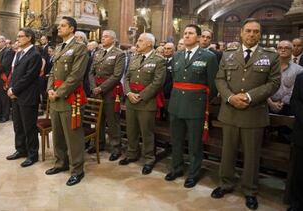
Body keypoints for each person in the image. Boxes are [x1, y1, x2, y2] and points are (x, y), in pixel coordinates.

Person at [212, 18, 281, 210]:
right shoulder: (228, 54)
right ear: (241, 33)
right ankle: (225, 183)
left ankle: (250, 190)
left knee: (251, 154)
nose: (252, 34)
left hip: (254, 112)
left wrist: (249, 96)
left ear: (260, 35)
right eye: (248, 31)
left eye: (256, 32)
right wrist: (230, 97)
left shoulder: (271, 56)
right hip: (230, 111)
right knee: (228, 152)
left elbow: (274, 83)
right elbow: (219, 79)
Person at [165, 24, 218, 188]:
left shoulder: (208, 56)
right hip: (176, 105)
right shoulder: (177, 55)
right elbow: (174, 78)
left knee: (195, 144)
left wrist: (203, 102)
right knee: (176, 140)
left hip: (196, 106)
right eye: (185, 33)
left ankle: (193, 173)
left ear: (199, 37)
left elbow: (213, 85)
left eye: (191, 33)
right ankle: (177, 168)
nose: (187, 36)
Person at [45, 16, 89, 186]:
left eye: (63, 25)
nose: (59, 28)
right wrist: (50, 89)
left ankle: (77, 169)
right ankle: (60, 163)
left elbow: (76, 76)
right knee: (57, 134)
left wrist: (59, 92)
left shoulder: (79, 48)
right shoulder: (58, 47)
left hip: (71, 98)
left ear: (72, 29)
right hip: (55, 96)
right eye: (59, 26)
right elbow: (53, 72)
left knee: (73, 136)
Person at [119, 33, 166, 175]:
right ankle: (132, 153)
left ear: (149, 44)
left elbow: (158, 82)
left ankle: (149, 159)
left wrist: (141, 95)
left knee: (147, 133)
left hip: (146, 102)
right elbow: (126, 78)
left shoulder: (158, 60)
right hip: (131, 100)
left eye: (140, 40)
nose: (137, 43)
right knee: (131, 130)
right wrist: (128, 93)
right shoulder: (134, 58)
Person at [6, 28, 43, 168]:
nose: (17, 39)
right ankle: (20, 149)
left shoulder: (35, 55)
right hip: (17, 95)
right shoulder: (20, 53)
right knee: (18, 125)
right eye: (17, 36)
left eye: (20, 36)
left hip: (28, 96)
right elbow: (14, 73)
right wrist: (11, 88)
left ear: (29, 38)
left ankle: (32, 154)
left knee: (29, 127)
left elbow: (29, 77)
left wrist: (14, 89)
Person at [88, 30, 125, 161]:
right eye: (102, 36)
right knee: (98, 119)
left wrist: (101, 88)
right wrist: (93, 87)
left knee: (112, 120)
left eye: (106, 36)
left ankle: (116, 148)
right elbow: (91, 72)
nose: (102, 38)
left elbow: (117, 75)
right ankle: (99, 143)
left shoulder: (119, 54)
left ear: (113, 39)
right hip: (96, 91)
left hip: (110, 91)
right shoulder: (97, 53)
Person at [268, 40, 303, 116]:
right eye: (280, 48)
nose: (283, 50)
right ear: (276, 50)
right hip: (267, 104)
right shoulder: (268, 67)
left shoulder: (299, 69)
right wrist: (271, 103)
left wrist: (282, 102)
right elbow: (262, 86)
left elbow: (296, 90)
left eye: (286, 48)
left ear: (292, 50)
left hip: (289, 106)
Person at [288, 72, 303, 211]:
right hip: (302, 132)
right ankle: (296, 202)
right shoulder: (301, 77)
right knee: (299, 171)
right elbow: (295, 100)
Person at [0, 35, 15, 123]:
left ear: (4, 42)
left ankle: (5, 116)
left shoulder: (8, 51)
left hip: (3, 77)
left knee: (4, 99)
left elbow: (4, 65)